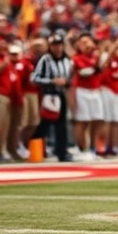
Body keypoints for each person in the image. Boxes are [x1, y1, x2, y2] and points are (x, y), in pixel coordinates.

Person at [30, 33, 74, 162]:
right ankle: (35, 151)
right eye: (54, 45)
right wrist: (51, 81)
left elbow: (70, 77)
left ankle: (62, 152)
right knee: (45, 124)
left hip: (61, 94)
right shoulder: (45, 60)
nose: (57, 48)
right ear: (50, 46)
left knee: (62, 125)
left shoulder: (67, 60)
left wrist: (66, 82)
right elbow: (34, 78)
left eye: (59, 45)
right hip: (49, 94)